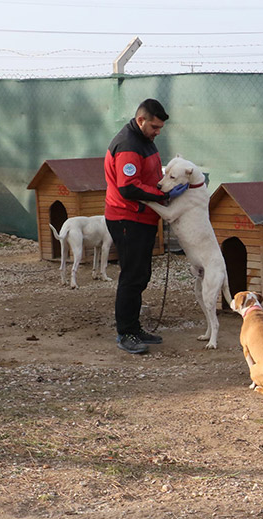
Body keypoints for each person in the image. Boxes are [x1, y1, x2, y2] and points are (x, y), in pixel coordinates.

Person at [103, 98, 183, 355]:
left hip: (143, 218)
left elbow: (148, 175)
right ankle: (125, 332)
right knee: (132, 275)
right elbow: (128, 187)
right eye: (155, 127)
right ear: (141, 121)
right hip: (128, 218)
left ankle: (134, 327)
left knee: (140, 275)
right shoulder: (128, 145)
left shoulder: (145, 141)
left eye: (160, 128)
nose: (158, 132)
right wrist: (161, 194)